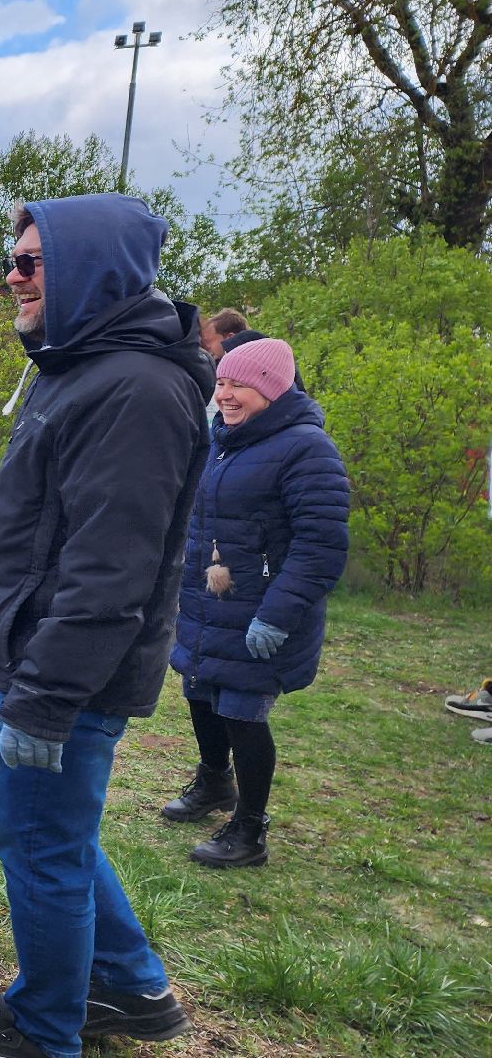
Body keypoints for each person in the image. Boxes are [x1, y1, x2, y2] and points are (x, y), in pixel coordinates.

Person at [0, 195, 213, 1058]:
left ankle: (44, 1031)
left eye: (31, 261)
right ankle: (128, 982)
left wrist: (45, 701)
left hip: (66, 672)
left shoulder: (139, 391)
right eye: (11, 259)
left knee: (43, 842)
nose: (12, 276)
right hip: (25, 655)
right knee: (31, 822)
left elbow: (112, 569)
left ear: (93, 267)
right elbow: (22, 507)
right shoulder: (74, 365)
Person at [165, 337, 349, 868]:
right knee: (201, 693)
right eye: (220, 383)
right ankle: (214, 782)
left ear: (271, 389)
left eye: (237, 385)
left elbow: (320, 547)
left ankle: (249, 829)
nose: (224, 394)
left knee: (242, 712)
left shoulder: (307, 449)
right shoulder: (223, 441)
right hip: (209, 603)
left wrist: (276, 615)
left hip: (261, 610)